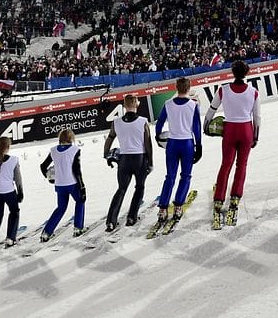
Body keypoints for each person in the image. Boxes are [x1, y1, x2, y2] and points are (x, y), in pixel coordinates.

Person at [202, 61, 261, 225]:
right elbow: (257, 117)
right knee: (242, 165)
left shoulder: (223, 90)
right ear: (246, 73)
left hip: (229, 130)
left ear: (232, 72)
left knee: (225, 164)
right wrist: (256, 135)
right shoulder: (253, 92)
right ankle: (235, 196)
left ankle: (219, 198)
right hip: (246, 130)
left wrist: (206, 125)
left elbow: (212, 109)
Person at [154, 77, 202, 225]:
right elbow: (196, 128)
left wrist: (158, 136)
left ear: (176, 87)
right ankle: (178, 207)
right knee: (185, 176)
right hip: (187, 143)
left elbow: (160, 121)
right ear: (189, 88)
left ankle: (162, 209)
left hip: (172, 144)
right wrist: (199, 145)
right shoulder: (193, 106)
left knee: (170, 176)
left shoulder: (168, 104)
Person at [103, 95, 153, 231]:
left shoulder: (116, 122)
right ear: (136, 104)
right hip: (139, 159)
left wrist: (106, 154)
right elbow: (148, 144)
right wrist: (150, 162)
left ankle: (111, 221)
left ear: (124, 106)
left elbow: (110, 138)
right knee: (139, 187)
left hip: (124, 160)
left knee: (121, 189)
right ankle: (131, 217)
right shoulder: (143, 121)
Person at [39, 128, 86, 241]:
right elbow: (76, 169)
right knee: (80, 201)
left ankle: (46, 232)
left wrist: (49, 177)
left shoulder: (53, 150)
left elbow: (43, 166)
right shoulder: (75, 149)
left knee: (61, 208)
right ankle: (78, 227)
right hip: (72, 183)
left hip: (59, 185)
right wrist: (82, 185)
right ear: (71, 138)